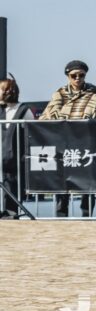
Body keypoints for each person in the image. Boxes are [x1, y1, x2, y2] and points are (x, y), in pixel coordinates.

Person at [42, 60, 96, 217]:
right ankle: (62, 214)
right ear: (68, 76)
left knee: (88, 179)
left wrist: (68, 115)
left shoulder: (93, 90)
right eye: (74, 75)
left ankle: (87, 214)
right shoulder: (59, 93)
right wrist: (72, 117)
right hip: (64, 142)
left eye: (81, 75)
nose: (78, 78)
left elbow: (93, 110)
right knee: (62, 179)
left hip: (85, 141)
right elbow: (52, 113)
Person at [1, 76, 34, 219]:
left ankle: (11, 212)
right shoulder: (2, 110)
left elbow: (32, 133)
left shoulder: (24, 110)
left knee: (13, 184)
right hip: (2, 156)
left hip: (16, 158)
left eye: (2, 90)